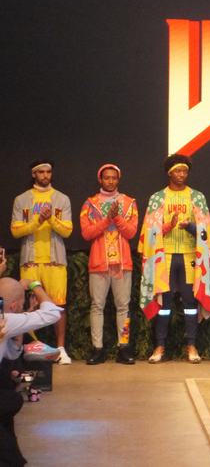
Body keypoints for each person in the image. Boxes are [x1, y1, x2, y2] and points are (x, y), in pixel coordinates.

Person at [138, 154, 210, 363]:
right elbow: (149, 233)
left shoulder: (197, 197)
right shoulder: (158, 198)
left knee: (190, 302)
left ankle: (191, 345)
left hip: (190, 256)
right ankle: (159, 346)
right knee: (164, 303)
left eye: (185, 171)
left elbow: (206, 232)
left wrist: (189, 227)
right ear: (169, 173)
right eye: (178, 171)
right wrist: (168, 226)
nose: (182, 175)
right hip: (164, 257)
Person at [10, 160, 73, 364]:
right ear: (34, 174)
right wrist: (38, 220)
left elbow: (67, 231)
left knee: (59, 305)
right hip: (30, 262)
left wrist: (50, 219)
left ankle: (61, 349)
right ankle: (27, 348)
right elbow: (16, 231)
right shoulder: (22, 199)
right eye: (41, 172)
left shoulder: (61, 199)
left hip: (55, 262)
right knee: (27, 305)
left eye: (48, 172)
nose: (45, 175)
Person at [79, 164, 138, 365]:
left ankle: (124, 348)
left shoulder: (129, 203)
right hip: (99, 264)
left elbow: (131, 232)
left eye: (114, 178)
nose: (110, 181)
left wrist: (117, 217)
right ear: (100, 179)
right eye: (107, 177)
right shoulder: (90, 204)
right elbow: (87, 233)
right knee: (97, 306)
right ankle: (97, 349)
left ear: (118, 180)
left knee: (123, 307)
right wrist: (107, 220)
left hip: (122, 264)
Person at [0, 278, 62, 466]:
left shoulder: (6, 322)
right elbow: (52, 313)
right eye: (21, 304)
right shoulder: (6, 319)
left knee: (11, 400)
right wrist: (35, 285)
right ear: (14, 306)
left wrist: (18, 335)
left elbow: (9, 353)